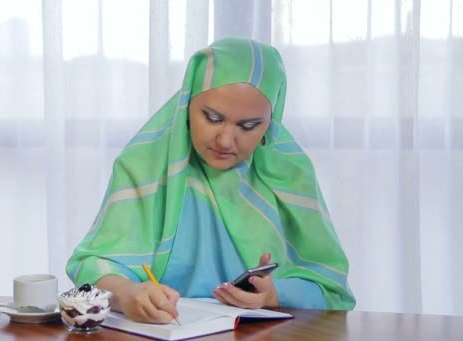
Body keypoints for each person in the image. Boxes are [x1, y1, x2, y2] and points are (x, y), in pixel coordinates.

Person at [66, 37, 356, 323]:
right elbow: (93, 265)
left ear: (271, 121)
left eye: (249, 126)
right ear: (187, 105)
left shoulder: (291, 176)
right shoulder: (143, 166)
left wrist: (274, 293)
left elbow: (332, 289)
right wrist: (127, 293)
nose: (225, 140)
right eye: (213, 118)